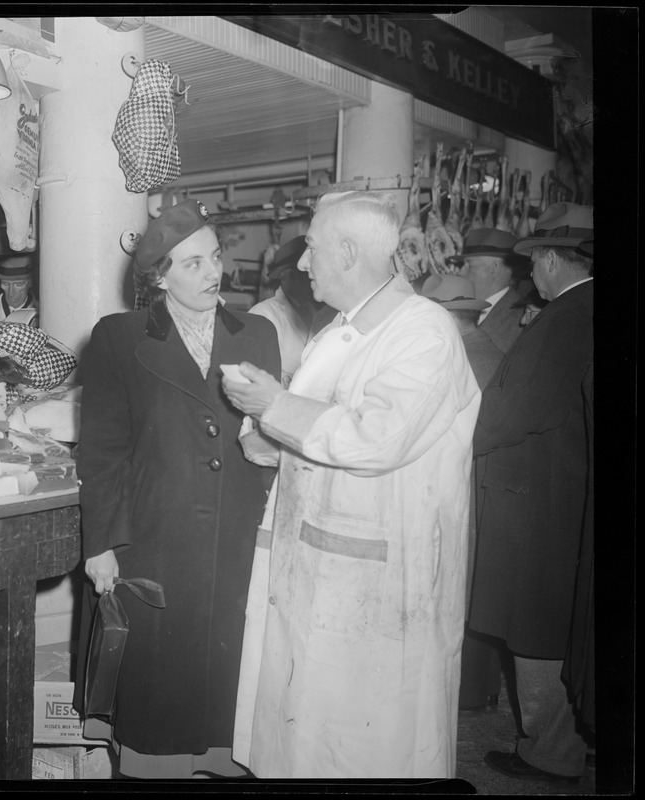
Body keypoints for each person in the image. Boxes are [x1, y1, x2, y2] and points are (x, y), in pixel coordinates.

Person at [222, 190, 481, 779]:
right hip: (317, 570)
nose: (303, 263)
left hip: (382, 588)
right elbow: (308, 436)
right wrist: (261, 424)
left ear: (346, 251)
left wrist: (276, 406)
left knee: (368, 753)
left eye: (311, 248)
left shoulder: (424, 333)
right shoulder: (336, 331)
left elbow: (374, 440)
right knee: (305, 741)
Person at [75, 198, 281, 779]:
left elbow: (271, 436)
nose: (213, 273)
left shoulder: (258, 334)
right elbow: (104, 451)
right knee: (160, 701)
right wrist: (101, 544)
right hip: (156, 538)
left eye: (214, 257)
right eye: (192, 264)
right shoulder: (118, 338)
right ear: (158, 276)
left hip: (237, 536)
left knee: (227, 693)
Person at [468, 203, 594, 785]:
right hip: (561, 496)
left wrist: (458, 436)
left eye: (534, 262)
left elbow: (521, 410)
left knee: (533, 626)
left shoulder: (568, 314)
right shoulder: (579, 310)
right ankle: (570, 741)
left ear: (548, 260)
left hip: (537, 501)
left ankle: (551, 751)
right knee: (549, 624)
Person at [420, 273, 506, 716]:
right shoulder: (487, 348)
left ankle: (470, 693)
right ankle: (479, 689)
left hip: (466, 487)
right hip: (482, 488)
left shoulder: (462, 357)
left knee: (462, 586)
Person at [248, 235, 337, 387]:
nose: (311, 276)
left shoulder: (325, 316)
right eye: (304, 272)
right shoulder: (264, 315)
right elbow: (255, 381)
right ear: (285, 275)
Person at [446, 228, 528, 354]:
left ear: (494, 268)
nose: (460, 272)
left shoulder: (522, 319)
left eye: (469, 264)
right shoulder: (462, 308)